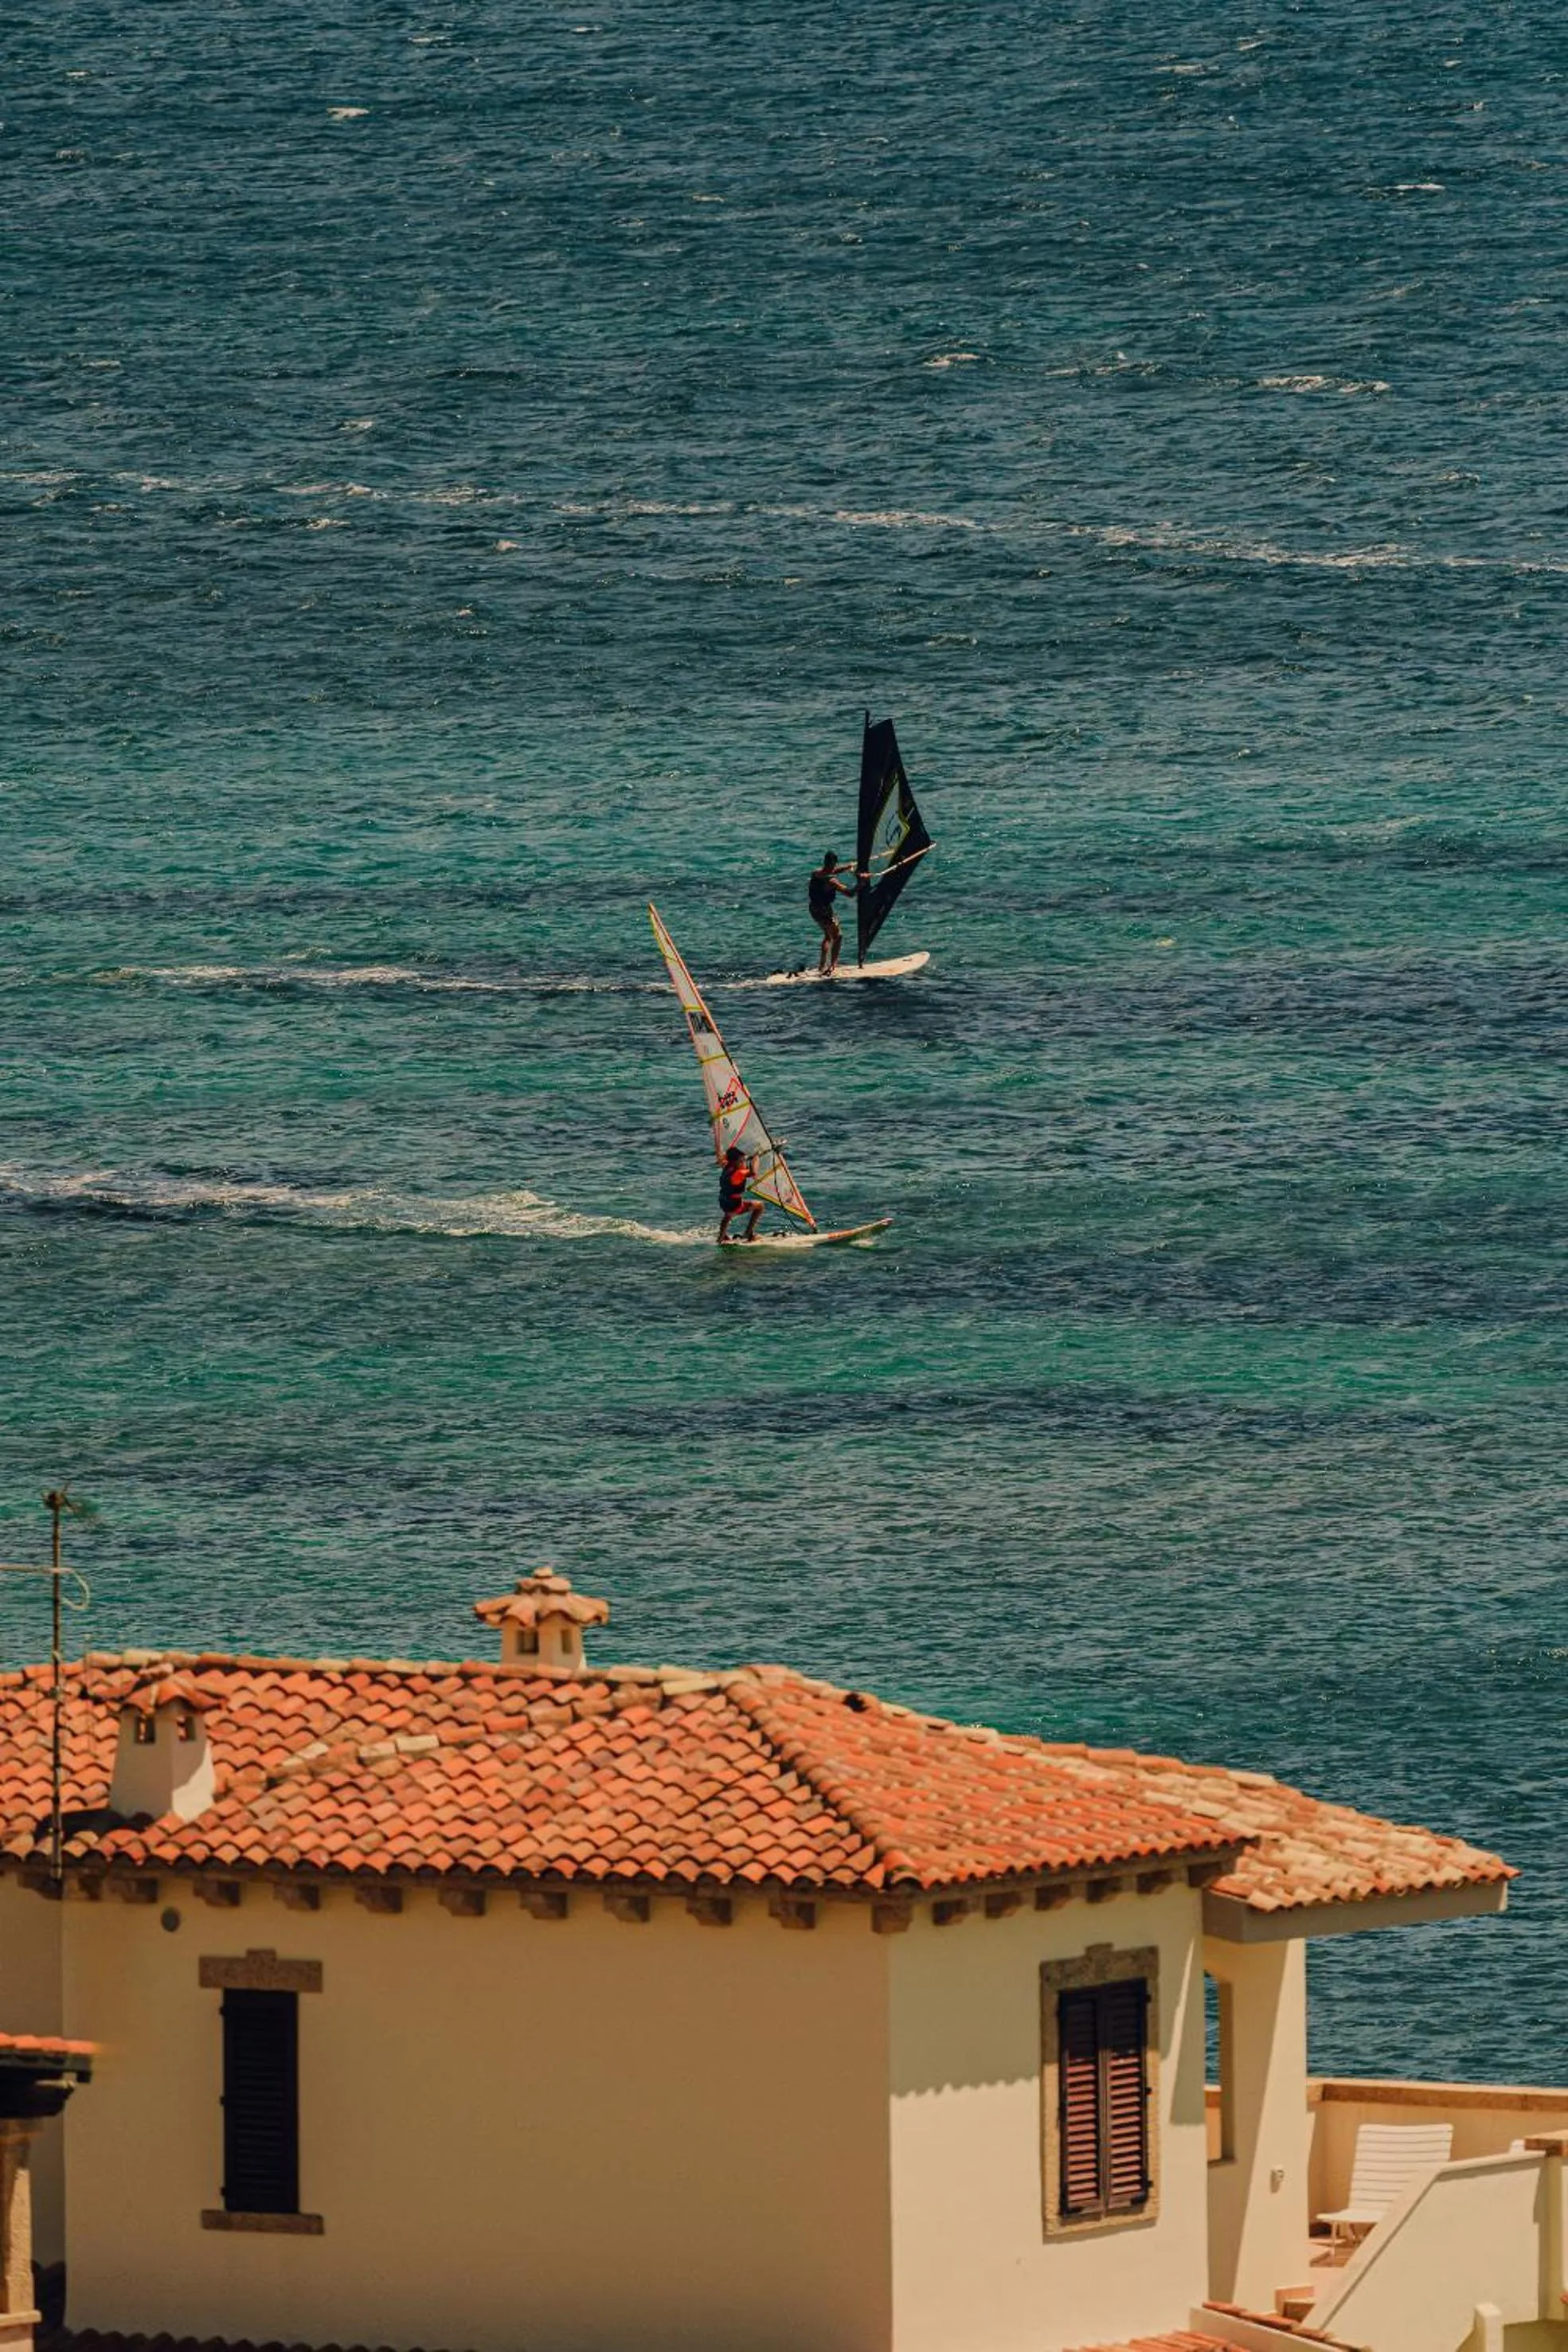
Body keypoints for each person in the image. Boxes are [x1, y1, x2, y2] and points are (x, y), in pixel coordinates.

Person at [807, 851, 861, 976]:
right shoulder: (832, 881)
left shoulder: (816, 873)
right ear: (833, 863)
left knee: (828, 935)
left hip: (814, 909)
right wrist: (862, 883)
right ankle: (832, 967)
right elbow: (850, 893)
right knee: (838, 936)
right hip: (825, 911)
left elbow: (831, 871)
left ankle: (821, 966)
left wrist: (847, 868)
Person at [718, 1144, 763, 1243]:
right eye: (741, 1161)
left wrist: (746, 1157)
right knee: (760, 1206)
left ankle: (721, 1237)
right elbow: (754, 1173)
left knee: (728, 1215)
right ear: (734, 1161)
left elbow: (723, 1157)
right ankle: (748, 1233)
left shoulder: (725, 1165)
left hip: (723, 1200)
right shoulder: (739, 1173)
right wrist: (756, 1157)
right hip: (735, 1204)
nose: (743, 1162)